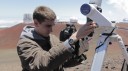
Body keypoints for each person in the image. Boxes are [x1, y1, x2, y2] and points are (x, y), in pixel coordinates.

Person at [17, 5, 97, 71]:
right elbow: (44, 63)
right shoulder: (24, 44)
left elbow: (61, 61)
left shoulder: (52, 38)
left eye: (52, 25)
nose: (51, 30)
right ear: (36, 23)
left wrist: (78, 53)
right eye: (48, 26)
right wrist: (73, 38)